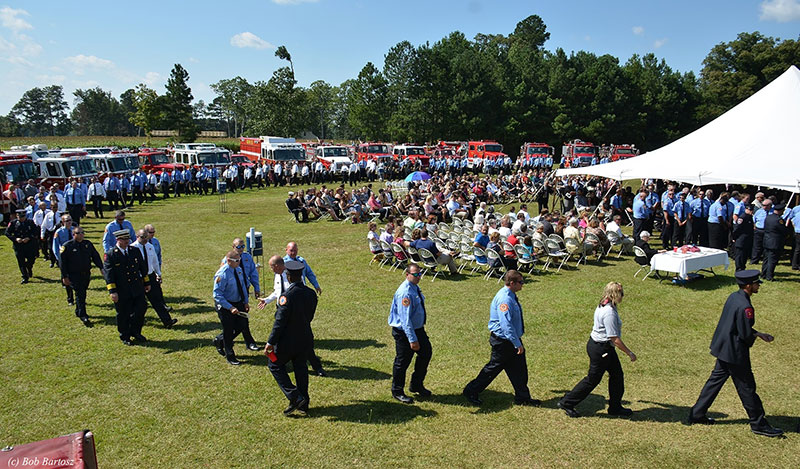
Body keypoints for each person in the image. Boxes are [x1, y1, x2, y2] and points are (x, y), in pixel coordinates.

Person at [686, 270, 783, 437]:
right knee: (747, 388)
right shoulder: (746, 306)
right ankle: (758, 423)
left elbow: (736, 325)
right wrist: (754, 335)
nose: (758, 285)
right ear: (748, 285)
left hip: (724, 348)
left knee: (714, 382)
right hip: (735, 353)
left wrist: (758, 334)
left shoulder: (734, 297)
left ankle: (697, 414)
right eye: (756, 283)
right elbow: (744, 334)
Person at [462, 270, 540, 407]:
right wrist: (517, 344)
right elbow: (506, 325)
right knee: (492, 369)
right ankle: (471, 390)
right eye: (520, 282)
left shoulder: (511, 295)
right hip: (504, 341)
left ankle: (523, 397)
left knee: (519, 369)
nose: (523, 285)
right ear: (512, 283)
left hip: (511, 339)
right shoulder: (505, 299)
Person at [558, 282, 636, 418]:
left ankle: (615, 407)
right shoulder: (609, 313)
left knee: (617, 375)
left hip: (603, 347)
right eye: (621, 293)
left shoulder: (605, 303)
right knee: (592, 379)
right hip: (601, 349)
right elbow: (614, 339)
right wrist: (630, 353)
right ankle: (567, 402)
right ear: (615, 294)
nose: (623, 296)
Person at [264, 260, 316, 416]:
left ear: (289, 276)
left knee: (274, 365)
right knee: (301, 368)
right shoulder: (311, 293)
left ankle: (294, 396)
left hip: (288, 341)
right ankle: (303, 403)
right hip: (305, 337)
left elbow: (279, 323)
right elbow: (309, 316)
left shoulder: (286, 297)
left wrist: (270, 342)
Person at [388, 264, 433, 404]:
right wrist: (412, 340)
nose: (418, 277)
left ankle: (416, 385)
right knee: (402, 362)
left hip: (418, 329)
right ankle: (397, 391)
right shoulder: (405, 293)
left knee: (426, 353)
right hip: (405, 332)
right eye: (415, 274)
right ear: (407, 274)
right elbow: (405, 319)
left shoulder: (414, 287)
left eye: (420, 274)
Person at [283, 242, 326, 375]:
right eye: (291, 251)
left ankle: (316, 366)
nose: (293, 253)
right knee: (286, 339)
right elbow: (278, 288)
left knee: (305, 340)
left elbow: (310, 274)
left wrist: (316, 285)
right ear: (286, 250)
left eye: (295, 250)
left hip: (300, 302)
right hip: (288, 303)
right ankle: (283, 364)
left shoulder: (301, 261)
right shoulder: (283, 264)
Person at [104, 229, 151, 346]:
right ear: (118, 240)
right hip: (122, 290)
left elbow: (142, 267)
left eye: (128, 239)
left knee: (141, 308)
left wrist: (146, 283)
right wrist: (112, 291)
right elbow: (109, 275)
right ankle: (125, 335)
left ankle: (136, 332)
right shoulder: (111, 254)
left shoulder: (134, 251)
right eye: (124, 240)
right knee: (123, 313)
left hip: (136, 287)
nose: (127, 242)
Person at [59, 225, 104, 327]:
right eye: (79, 233)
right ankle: (83, 315)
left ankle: (78, 310)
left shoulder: (87, 244)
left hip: (86, 274)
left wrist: (101, 267)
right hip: (73, 275)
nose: (81, 235)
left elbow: (95, 256)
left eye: (82, 232)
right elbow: (63, 263)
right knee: (80, 294)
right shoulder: (67, 246)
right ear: (73, 234)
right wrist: (64, 276)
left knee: (82, 292)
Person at [132, 229, 177, 328]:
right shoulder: (133, 248)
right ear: (137, 236)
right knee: (139, 302)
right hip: (139, 278)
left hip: (150, 275)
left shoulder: (150, 247)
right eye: (142, 237)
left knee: (157, 300)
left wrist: (158, 273)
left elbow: (155, 261)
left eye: (146, 237)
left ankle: (167, 321)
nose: (145, 240)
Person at [212, 250, 251, 365]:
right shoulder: (222, 274)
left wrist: (245, 301)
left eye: (239, 260)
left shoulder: (238, 270)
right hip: (226, 305)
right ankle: (230, 356)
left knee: (242, 325)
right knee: (228, 331)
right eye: (236, 260)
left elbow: (243, 286)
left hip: (238, 301)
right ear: (229, 261)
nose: (239, 262)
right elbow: (217, 295)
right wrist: (230, 307)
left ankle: (220, 340)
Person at [6, 209, 39, 284]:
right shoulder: (13, 223)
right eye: (19, 216)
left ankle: (29, 267)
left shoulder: (30, 222)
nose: (21, 218)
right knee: (21, 262)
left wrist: (29, 237)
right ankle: (25, 277)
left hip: (29, 245)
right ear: (17, 216)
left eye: (23, 216)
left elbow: (35, 231)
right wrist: (15, 239)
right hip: (19, 245)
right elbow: (7, 233)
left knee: (31, 259)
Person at [761, 204, 786, 281]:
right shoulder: (779, 220)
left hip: (767, 240)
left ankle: (763, 274)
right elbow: (783, 231)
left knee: (766, 259)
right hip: (775, 242)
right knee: (772, 260)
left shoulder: (768, 217)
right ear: (780, 211)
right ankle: (769, 276)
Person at [731, 204, 755, 271]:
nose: (751, 211)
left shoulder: (749, 217)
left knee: (744, 256)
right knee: (740, 255)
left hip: (747, 240)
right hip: (741, 240)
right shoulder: (742, 217)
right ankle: (739, 269)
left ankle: (742, 268)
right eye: (750, 210)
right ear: (746, 209)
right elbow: (737, 229)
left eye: (752, 210)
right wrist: (734, 238)